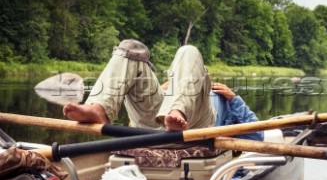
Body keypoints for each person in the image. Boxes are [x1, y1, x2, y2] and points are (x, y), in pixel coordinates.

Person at [63, 39, 263, 141]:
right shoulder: (173, 85)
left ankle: (177, 111)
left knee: (188, 50)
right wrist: (164, 91)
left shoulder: (223, 98)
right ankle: (99, 108)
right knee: (129, 49)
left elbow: (257, 136)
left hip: (197, 127)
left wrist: (234, 99)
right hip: (159, 120)